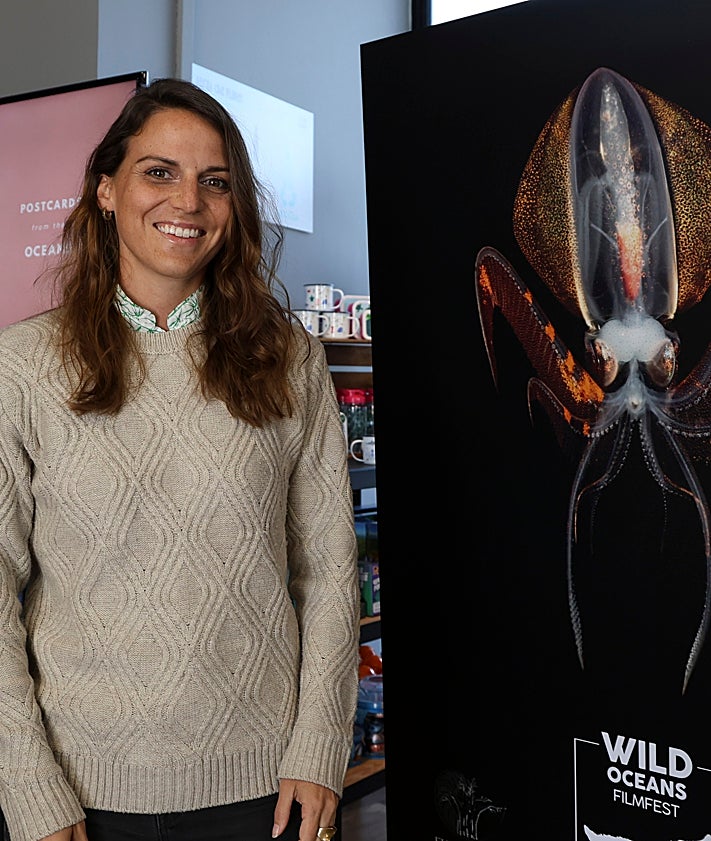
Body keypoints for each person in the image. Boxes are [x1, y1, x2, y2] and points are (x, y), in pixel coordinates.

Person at [0, 78, 360, 841]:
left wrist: (322, 741)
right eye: (158, 171)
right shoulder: (22, 365)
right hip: (78, 791)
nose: (187, 201)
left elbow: (331, 568)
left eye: (215, 181)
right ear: (106, 189)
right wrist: (28, 783)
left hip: (265, 787)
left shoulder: (289, 357)